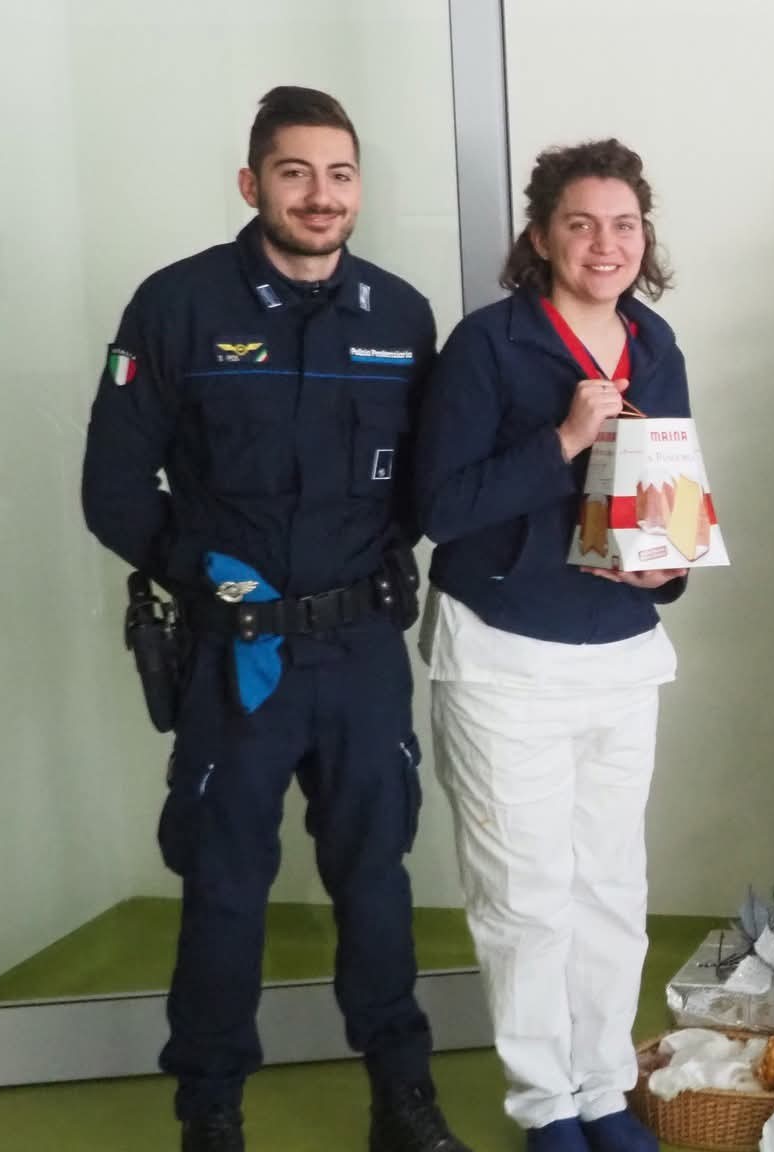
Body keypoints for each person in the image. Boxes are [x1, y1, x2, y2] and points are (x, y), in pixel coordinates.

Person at [80, 87, 467, 1152]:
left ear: (358, 188)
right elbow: (113, 491)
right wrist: (203, 581)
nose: (320, 194)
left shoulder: (400, 315)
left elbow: (421, 489)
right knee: (223, 891)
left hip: (358, 654)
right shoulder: (178, 306)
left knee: (376, 883)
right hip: (235, 660)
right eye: (294, 172)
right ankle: (210, 1114)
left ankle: (403, 1100)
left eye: (339, 174)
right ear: (251, 184)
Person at [414, 138, 689, 1152]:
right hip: (503, 655)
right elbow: (441, 508)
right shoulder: (487, 346)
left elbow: (669, 501)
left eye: (623, 224)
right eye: (580, 223)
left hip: (619, 649)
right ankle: (545, 1110)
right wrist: (564, 441)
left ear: (643, 236)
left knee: (612, 888)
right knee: (525, 901)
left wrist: (667, 567)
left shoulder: (653, 344)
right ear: (540, 237)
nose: (604, 243)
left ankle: (605, 1090)